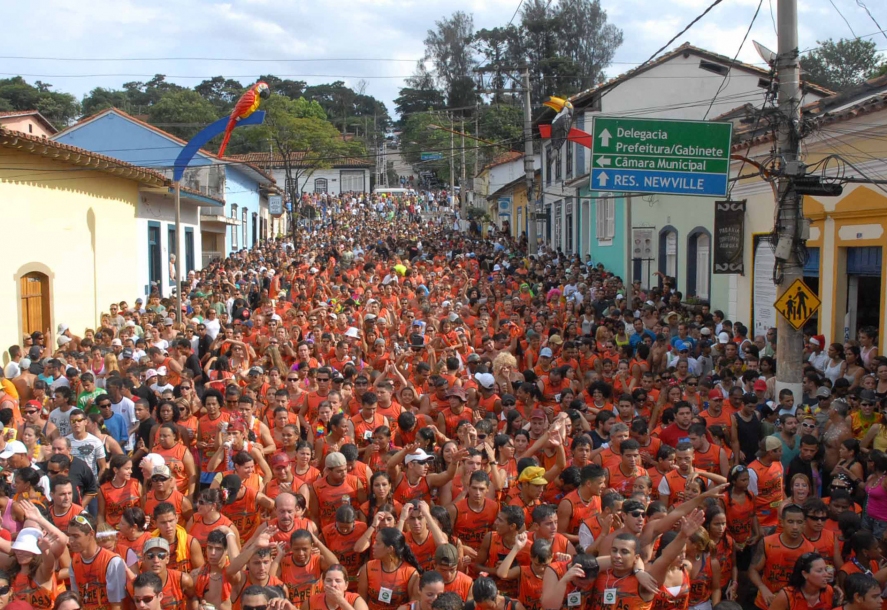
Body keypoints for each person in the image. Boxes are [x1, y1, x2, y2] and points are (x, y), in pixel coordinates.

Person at [748, 503, 815, 608]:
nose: (795, 527)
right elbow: (753, 570)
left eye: (799, 522)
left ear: (804, 524)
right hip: (766, 603)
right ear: (782, 522)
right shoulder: (767, 542)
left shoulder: (811, 550)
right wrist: (762, 588)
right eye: (790, 522)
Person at [67, 513, 128, 610]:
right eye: (69, 535)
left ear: (91, 534)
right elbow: (76, 599)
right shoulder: (74, 561)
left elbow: (117, 605)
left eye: (76, 536)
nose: (70, 540)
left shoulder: (112, 561)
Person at [768, 553, 839, 610]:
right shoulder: (786, 596)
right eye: (819, 571)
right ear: (805, 574)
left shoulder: (829, 591)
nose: (826, 574)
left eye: (825, 569)